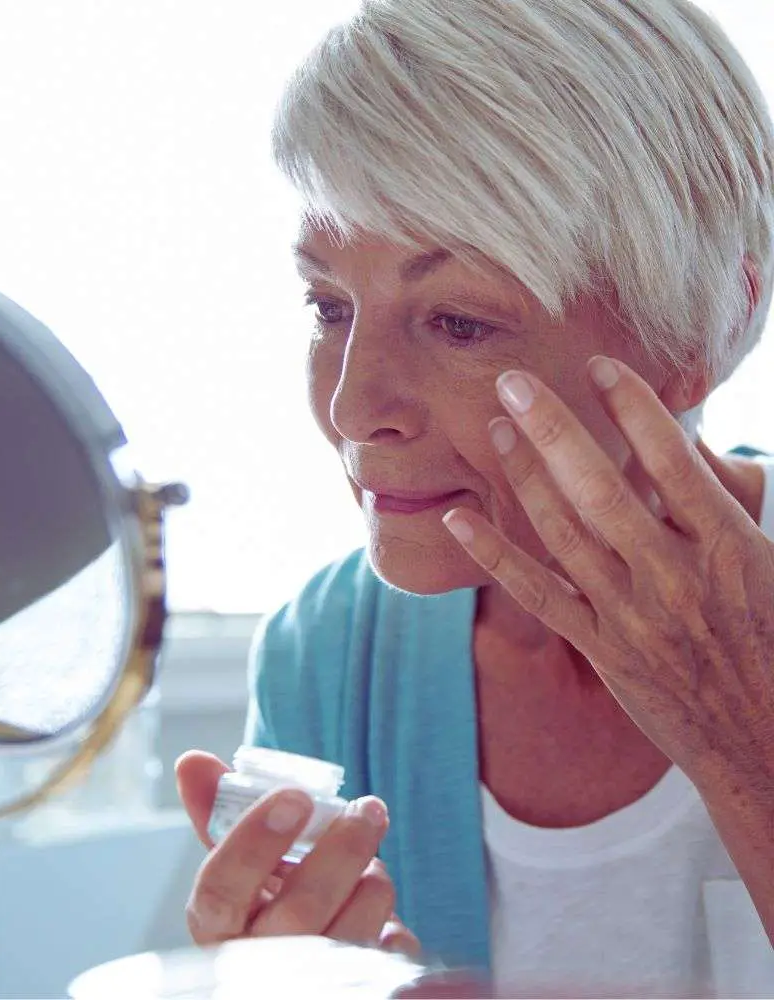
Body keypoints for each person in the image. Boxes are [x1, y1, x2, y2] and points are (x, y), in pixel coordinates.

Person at [176, 1, 774, 994]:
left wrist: (743, 748)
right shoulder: (326, 657)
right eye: (328, 306)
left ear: (700, 330)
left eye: (456, 321)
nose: (352, 404)